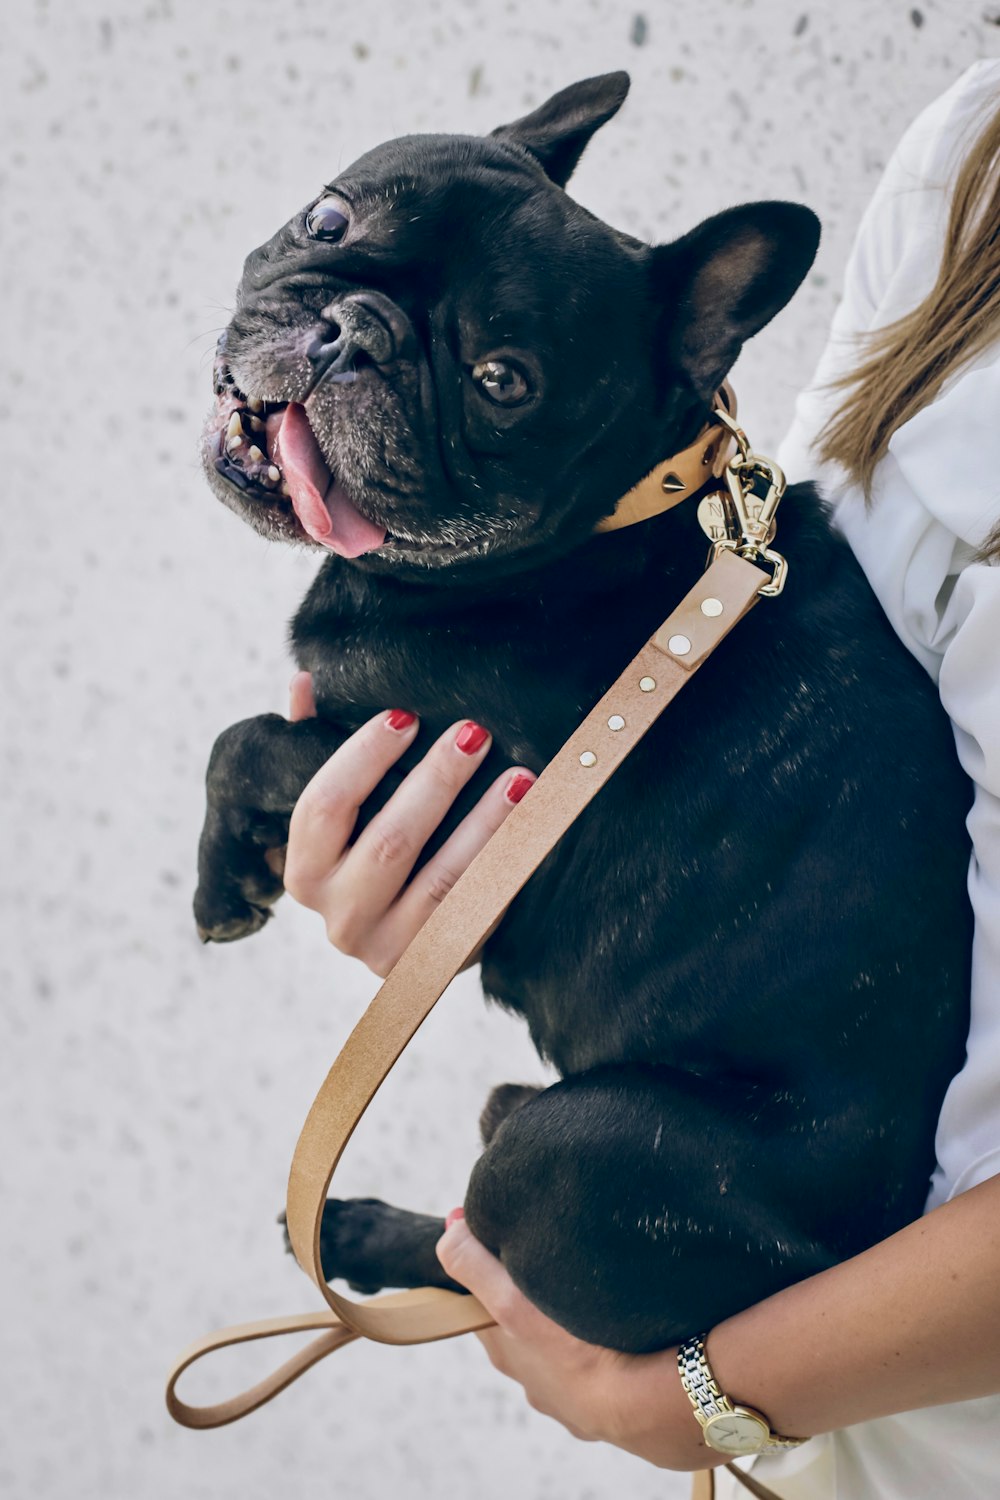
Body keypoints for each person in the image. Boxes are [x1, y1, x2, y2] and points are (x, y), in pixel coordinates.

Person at [277, 60, 1000, 1500]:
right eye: (336, 237)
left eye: (488, 372)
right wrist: (472, 875)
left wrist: (703, 1401)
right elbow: (744, 632)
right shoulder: (970, 164)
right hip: (823, 1373)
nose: (350, 340)